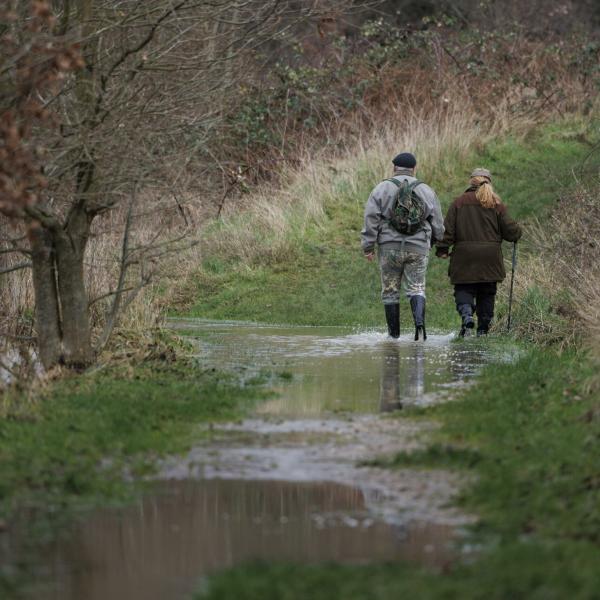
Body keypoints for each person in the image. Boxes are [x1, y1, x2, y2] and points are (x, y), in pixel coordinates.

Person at [361, 152, 444, 340]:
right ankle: (420, 325)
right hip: (418, 247)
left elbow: (370, 218)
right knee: (417, 288)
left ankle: (394, 336)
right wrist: (437, 243)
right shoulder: (426, 190)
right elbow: (438, 222)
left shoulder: (381, 188)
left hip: (389, 248)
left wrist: (368, 246)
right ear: (414, 168)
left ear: (394, 168)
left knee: (390, 290)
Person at [436, 168, 522, 337]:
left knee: (463, 288)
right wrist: (517, 230)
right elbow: (512, 233)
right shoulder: (496, 204)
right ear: (489, 182)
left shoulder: (459, 203)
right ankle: (483, 329)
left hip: (464, 256)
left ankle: (467, 315)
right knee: (487, 292)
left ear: (471, 182)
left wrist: (442, 249)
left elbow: (448, 231)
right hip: (490, 257)